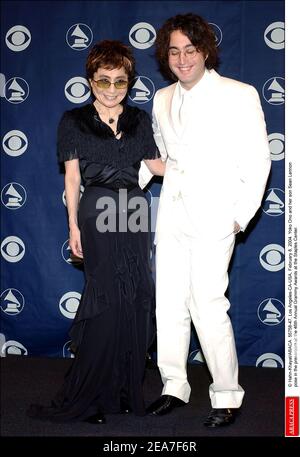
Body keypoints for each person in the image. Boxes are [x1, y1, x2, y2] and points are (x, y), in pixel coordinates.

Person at [143, 13, 271, 427]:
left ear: (205, 51)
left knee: (209, 306)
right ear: (166, 55)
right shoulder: (161, 99)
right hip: (173, 217)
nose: (182, 59)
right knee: (168, 307)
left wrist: (238, 217)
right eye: (174, 51)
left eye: (190, 50)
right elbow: (164, 156)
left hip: (215, 219)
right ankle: (173, 386)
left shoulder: (239, 94)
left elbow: (257, 160)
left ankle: (227, 395)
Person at [28, 40, 165, 424]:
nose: (110, 89)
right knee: (104, 300)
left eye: (119, 82)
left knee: (135, 297)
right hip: (98, 209)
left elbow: (156, 166)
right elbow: (72, 179)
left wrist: (211, 164)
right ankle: (91, 396)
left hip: (135, 210)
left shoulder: (139, 120)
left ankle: (123, 390)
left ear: (129, 83)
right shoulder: (73, 121)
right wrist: (73, 226)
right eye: (103, 81)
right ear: (90, 81)